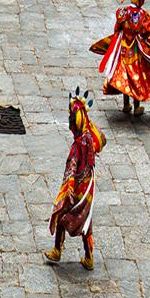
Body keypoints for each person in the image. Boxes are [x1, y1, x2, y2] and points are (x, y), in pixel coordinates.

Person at [43, 87, 106, 271]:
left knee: (62, 214)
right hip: (88, 186)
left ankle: (57, 250)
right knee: (85, 221)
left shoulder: (78, 145)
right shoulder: (89, 137)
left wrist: (69, 186)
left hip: (77, 188)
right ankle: (88, 257)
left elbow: (72, 166)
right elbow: (101, 141)